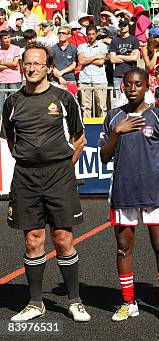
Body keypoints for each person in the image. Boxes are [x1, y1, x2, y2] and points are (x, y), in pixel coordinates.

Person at [2, 43, 89, 322]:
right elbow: (12, 140)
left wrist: (63, 169)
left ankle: (75, 301)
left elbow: (79, 139)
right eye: (27, 63)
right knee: (32, 241)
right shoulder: (12, 102)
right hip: (26, 178)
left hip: (58, 177)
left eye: (38, 64)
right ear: (20, 66)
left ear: (49, 68)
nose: (31, 68)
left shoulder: (64, 98)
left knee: (63, 239)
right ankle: (35, 303)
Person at [98, 68, 159, 323]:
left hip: (154, 192)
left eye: (138, 84)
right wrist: (117, 132)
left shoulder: (158, 116)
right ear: (122, 87)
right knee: (123, 249)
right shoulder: (113, 117)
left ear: (146, 87)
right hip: (123, 191)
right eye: (128, 84)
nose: (133, 88)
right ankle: (127, 301)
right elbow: (103, 155)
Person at [77, 25, 108, 118]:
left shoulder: (102, 46)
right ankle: (87, 129)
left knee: (102, 107)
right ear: (86, 35)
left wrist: (87, 60)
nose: (91, 36)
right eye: (89, 34)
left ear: (96, 34)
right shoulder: (81, 46)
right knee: (85, 107)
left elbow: (101, 61)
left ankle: (103, 128)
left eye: (93, 34)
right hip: (85, 80)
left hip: (99, 79)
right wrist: (95, 56)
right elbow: (81, 61)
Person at [109, 18, 141, 98]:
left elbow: (134, 58)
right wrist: (128, 57)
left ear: (128, 26)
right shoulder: (115, 41)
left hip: (131, 74)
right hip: (118, 75)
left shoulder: (134, 40)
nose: (122, 27)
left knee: (131, 97)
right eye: (121, 25)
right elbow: (112, 59)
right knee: (118, 100)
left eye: (124, 25)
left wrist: (119, 56)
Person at [0, 30, 21, 110]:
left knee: (15, 103)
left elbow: (15, 64)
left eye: (9, 37)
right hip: (2, 79)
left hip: (14, 79)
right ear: (1, 39)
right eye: (5, 38)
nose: (7, 40)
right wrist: (10, 65)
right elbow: (13, 65)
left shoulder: (16, 48)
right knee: (1, 105)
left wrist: (2, 62)